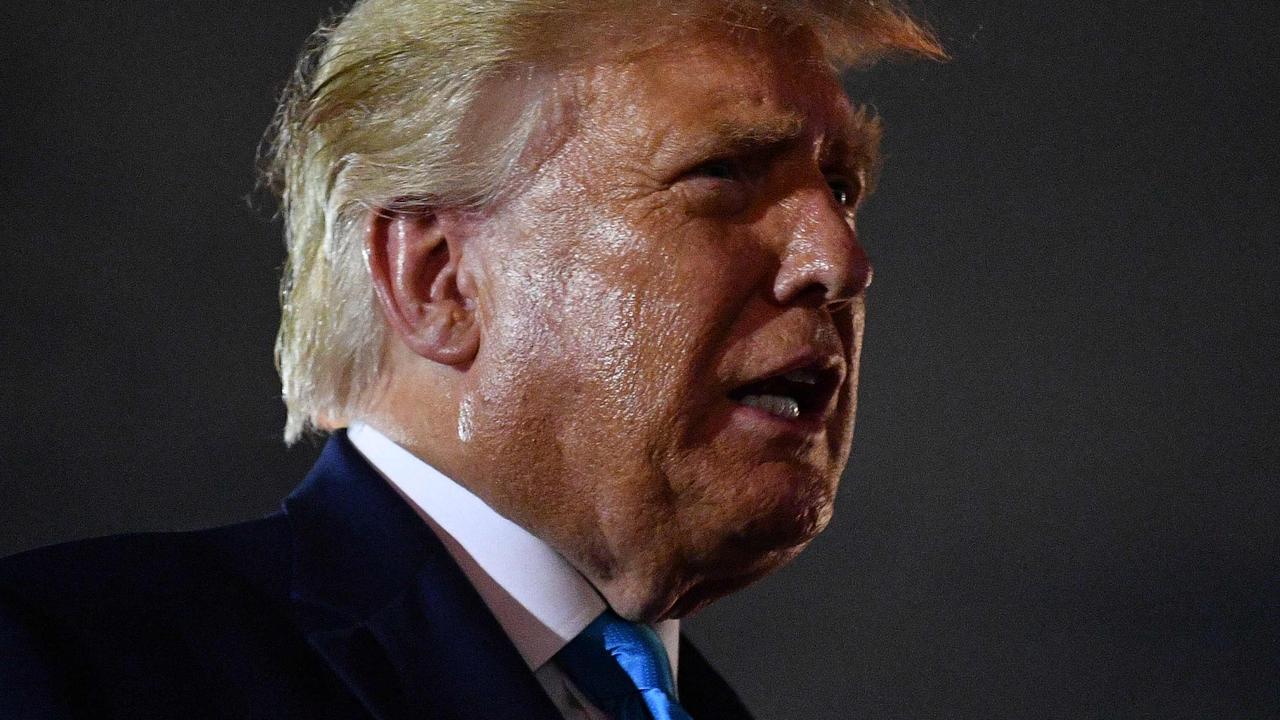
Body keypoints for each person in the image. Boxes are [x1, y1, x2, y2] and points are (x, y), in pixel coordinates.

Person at [0, 1, 941, 718]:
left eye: (841, 185)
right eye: (725, 173)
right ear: (439, 279)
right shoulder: (61, 666)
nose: (841, 259)